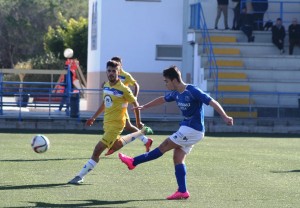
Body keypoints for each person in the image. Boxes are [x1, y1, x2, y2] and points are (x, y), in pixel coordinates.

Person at [118, 65, 234, 200]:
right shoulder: (176, 93)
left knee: (164, 146)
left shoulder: (192, 91)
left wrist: (225, 116)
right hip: (187, 128)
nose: (166, 84)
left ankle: (133, 162)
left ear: (174, 80)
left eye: (166, 81)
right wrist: (145, 106)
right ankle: (182, 191)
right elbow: (162, 99)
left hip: (193, 129)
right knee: (177, 158)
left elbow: (211, 101)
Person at [68, 60, 152, 184]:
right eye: (109, 71)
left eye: (114, 71)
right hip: (107, 123)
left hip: (117, 125)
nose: (111, 73)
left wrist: (139, 122)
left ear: (118, 72)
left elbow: (135, 104)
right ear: (106, 72)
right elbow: (104, 103)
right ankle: (140, 134)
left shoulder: (124, 89)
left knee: (97, 150)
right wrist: (93, 117)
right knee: (114, 146)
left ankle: (79, 176)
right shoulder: (106, 85)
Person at [104, 56, 153, 156]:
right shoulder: (112, 75)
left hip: (122, 104)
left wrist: (134, 97)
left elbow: (136, 85)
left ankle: (113, 145)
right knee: (128, 126)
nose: (112, 72)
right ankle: (145, 140)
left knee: (127, 126)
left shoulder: (126, 75)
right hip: (115, 104)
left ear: (120, 65)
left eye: (117, 64)